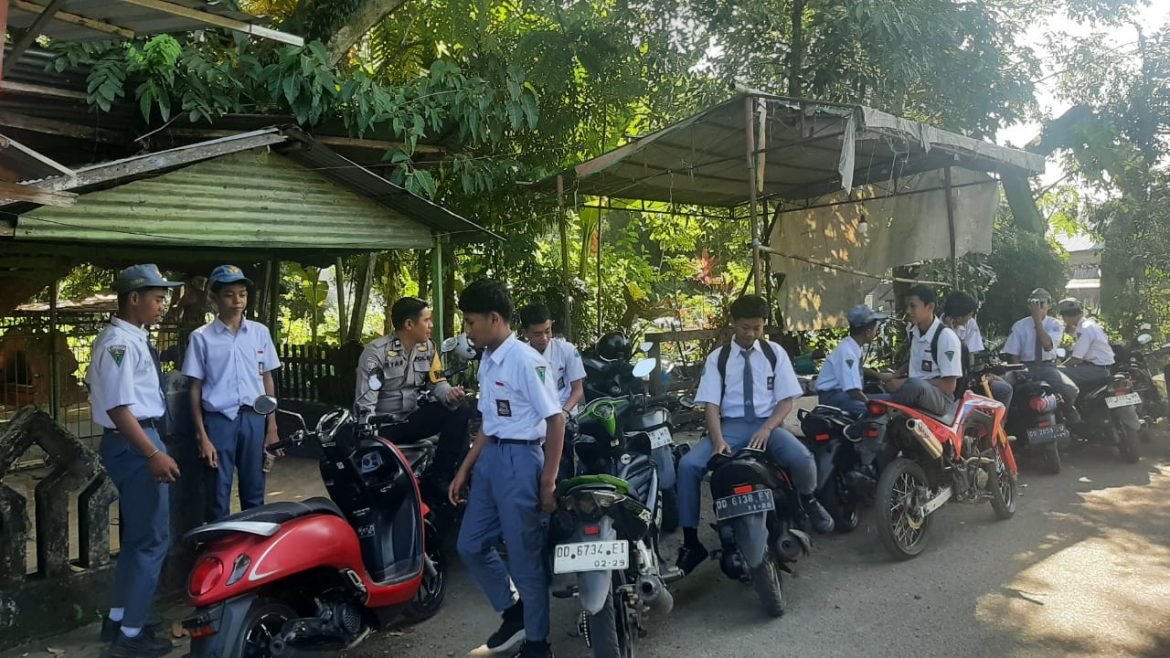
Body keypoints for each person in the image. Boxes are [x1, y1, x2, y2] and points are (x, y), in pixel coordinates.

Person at [676, 295, 834, 575]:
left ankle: (808, 500)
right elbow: (711, 405)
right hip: (732, 427)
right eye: (745, 327)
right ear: (733, 323)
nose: (751, 334)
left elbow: (786, 400)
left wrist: (768, 427)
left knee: (802, 458)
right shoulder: (719, 358)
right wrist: (718, 440)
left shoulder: (774, 353)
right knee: (688, 466)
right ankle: (690, 541)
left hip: (767, 424)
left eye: (757, 328)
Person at [449, 280, 565, 658]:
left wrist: (548, 481)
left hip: (520, 460)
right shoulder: (488, 359)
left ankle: (538, 642)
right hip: (491, 460)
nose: (468, 330)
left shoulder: (526, 361)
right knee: (470, 544)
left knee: (523, 556)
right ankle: (514, 612)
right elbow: (489, 422)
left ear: (494, 319)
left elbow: (556, 420)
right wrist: (465, 468)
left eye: (471, 322)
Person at [87, 265, 182, 658]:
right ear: (133, 298)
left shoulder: (130, 337)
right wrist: (153, 452)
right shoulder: (119, 344)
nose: (163, 305)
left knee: (138, 538)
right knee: (152, 539)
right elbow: (118, 407)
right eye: (157, 298)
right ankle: (131, 634)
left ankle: (120, 618)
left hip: (135, 439)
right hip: (135, 441)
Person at [182, 265, 282, 522]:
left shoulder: (259, 333)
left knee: (255, 490)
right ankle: (220, 543)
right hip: (219, 421)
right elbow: (194, 388)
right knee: (217, 492)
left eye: (242, 294)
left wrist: (271, 427)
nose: (237, 300)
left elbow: (267, 379)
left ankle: (254, 541)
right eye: (229, 294)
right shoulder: (201, 338)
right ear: (214, 298)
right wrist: (202, 435)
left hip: (254, 419)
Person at [354, 296, 472, 486]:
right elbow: (366, 402)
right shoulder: (376, 353)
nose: (431, 325)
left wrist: (449, 394)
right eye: (426, 320)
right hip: (385, 426)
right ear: (409, 324)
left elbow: (437, 382)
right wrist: (368, 435)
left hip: (410, 419)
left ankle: (441, 477)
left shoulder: (429, 348)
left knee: (460, 408)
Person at [519, 303, 584, 479]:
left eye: (547, 331)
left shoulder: (566, 350)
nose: (545, 338)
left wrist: (564, 413)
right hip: (533, 420)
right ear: (525, 333)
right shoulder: (520, 355)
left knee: (561, 471)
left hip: (564, 416)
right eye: (537, 334)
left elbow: (577, 390)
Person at [1002, 288, 1080, 421]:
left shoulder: (1055, 324)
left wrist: (1037, 320)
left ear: (1049, 305)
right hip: (1024, 367)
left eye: (1041, 303)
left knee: (1071, 390)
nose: (1038, 307)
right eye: (1034, 303)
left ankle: (1068, 414)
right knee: (1004, 389)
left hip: (1047, 367)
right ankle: (1005, 423)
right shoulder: (1019, 326)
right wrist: (1017, 370)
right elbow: (1013, 352)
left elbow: (1047, 345)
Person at [887, 285, 964, 417]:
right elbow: (916, 360)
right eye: (906, 306)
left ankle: (885, 405)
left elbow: (949, 386)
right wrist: (895, 375)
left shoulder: (946, 337)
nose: (908, 311)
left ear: (930, 307)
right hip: (913, 391)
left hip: (940, 398)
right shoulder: (913, 331)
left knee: (915, 386)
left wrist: (904, 383)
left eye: (913, 306)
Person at [816, 304, 893, 416]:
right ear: (867, 332)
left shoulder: (852, 346)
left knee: (890, 400)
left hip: (843, 396)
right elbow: (853, 390)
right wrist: (869, 404)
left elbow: (858, 369)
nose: (876, 332)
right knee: (880, 412)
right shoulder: (848, 353)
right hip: (836, 398)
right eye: (875, 329)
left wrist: (880, 376)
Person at [941, 291, 1013, 409]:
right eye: (969, 315)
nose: (971, 318)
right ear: (958, 317)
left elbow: (972, 354)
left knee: (1005, 389)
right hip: (947, 379)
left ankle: (998, 421)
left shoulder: (970, 324)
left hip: (970, 377)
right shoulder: (937, 327)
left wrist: (980, 369)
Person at [1057, 297, 1115, 391]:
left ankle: (1070, 399)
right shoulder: (1090, 324)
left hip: (1097, 370)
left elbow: (1076, 359)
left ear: (1066, 316)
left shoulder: (1084, 329)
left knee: (1056, 373)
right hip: (1103, 368)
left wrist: (1059, 367)